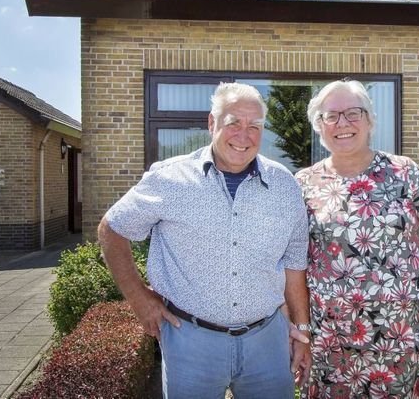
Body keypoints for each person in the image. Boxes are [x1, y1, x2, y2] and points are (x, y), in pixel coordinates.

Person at [98, 82, 311, 399]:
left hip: (267, 341)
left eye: (254, 126)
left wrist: (302, 332)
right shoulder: (170, 179)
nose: (244, 135)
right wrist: (139, 298)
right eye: (233, 123)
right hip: (190, 342)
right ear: (212, 123)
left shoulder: (284, 185)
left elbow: (294, 266)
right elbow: (111, 229)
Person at [295, 79, 419, 398]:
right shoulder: (304, 183)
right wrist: (298, 330)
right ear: (319, 126)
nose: (343, 123)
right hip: (331, 338)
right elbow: (294, 264)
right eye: (331, 116)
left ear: (369, 120)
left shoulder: (404, 172)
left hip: (399, 335)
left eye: (353, 113)